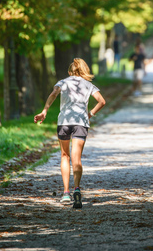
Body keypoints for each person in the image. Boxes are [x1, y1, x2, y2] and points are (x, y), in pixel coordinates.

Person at [34, 58, 106, 209]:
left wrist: (45, 110)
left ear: (69, 72)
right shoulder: (88, 84)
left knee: (64, 156)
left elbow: (54, 94)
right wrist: (90, 114)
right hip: (81, 123)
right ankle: (77, 190)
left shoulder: (63, 82)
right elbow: (102, 101)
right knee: (77, 158)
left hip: (65, 122)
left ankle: (66, 193)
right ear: (83, 71)